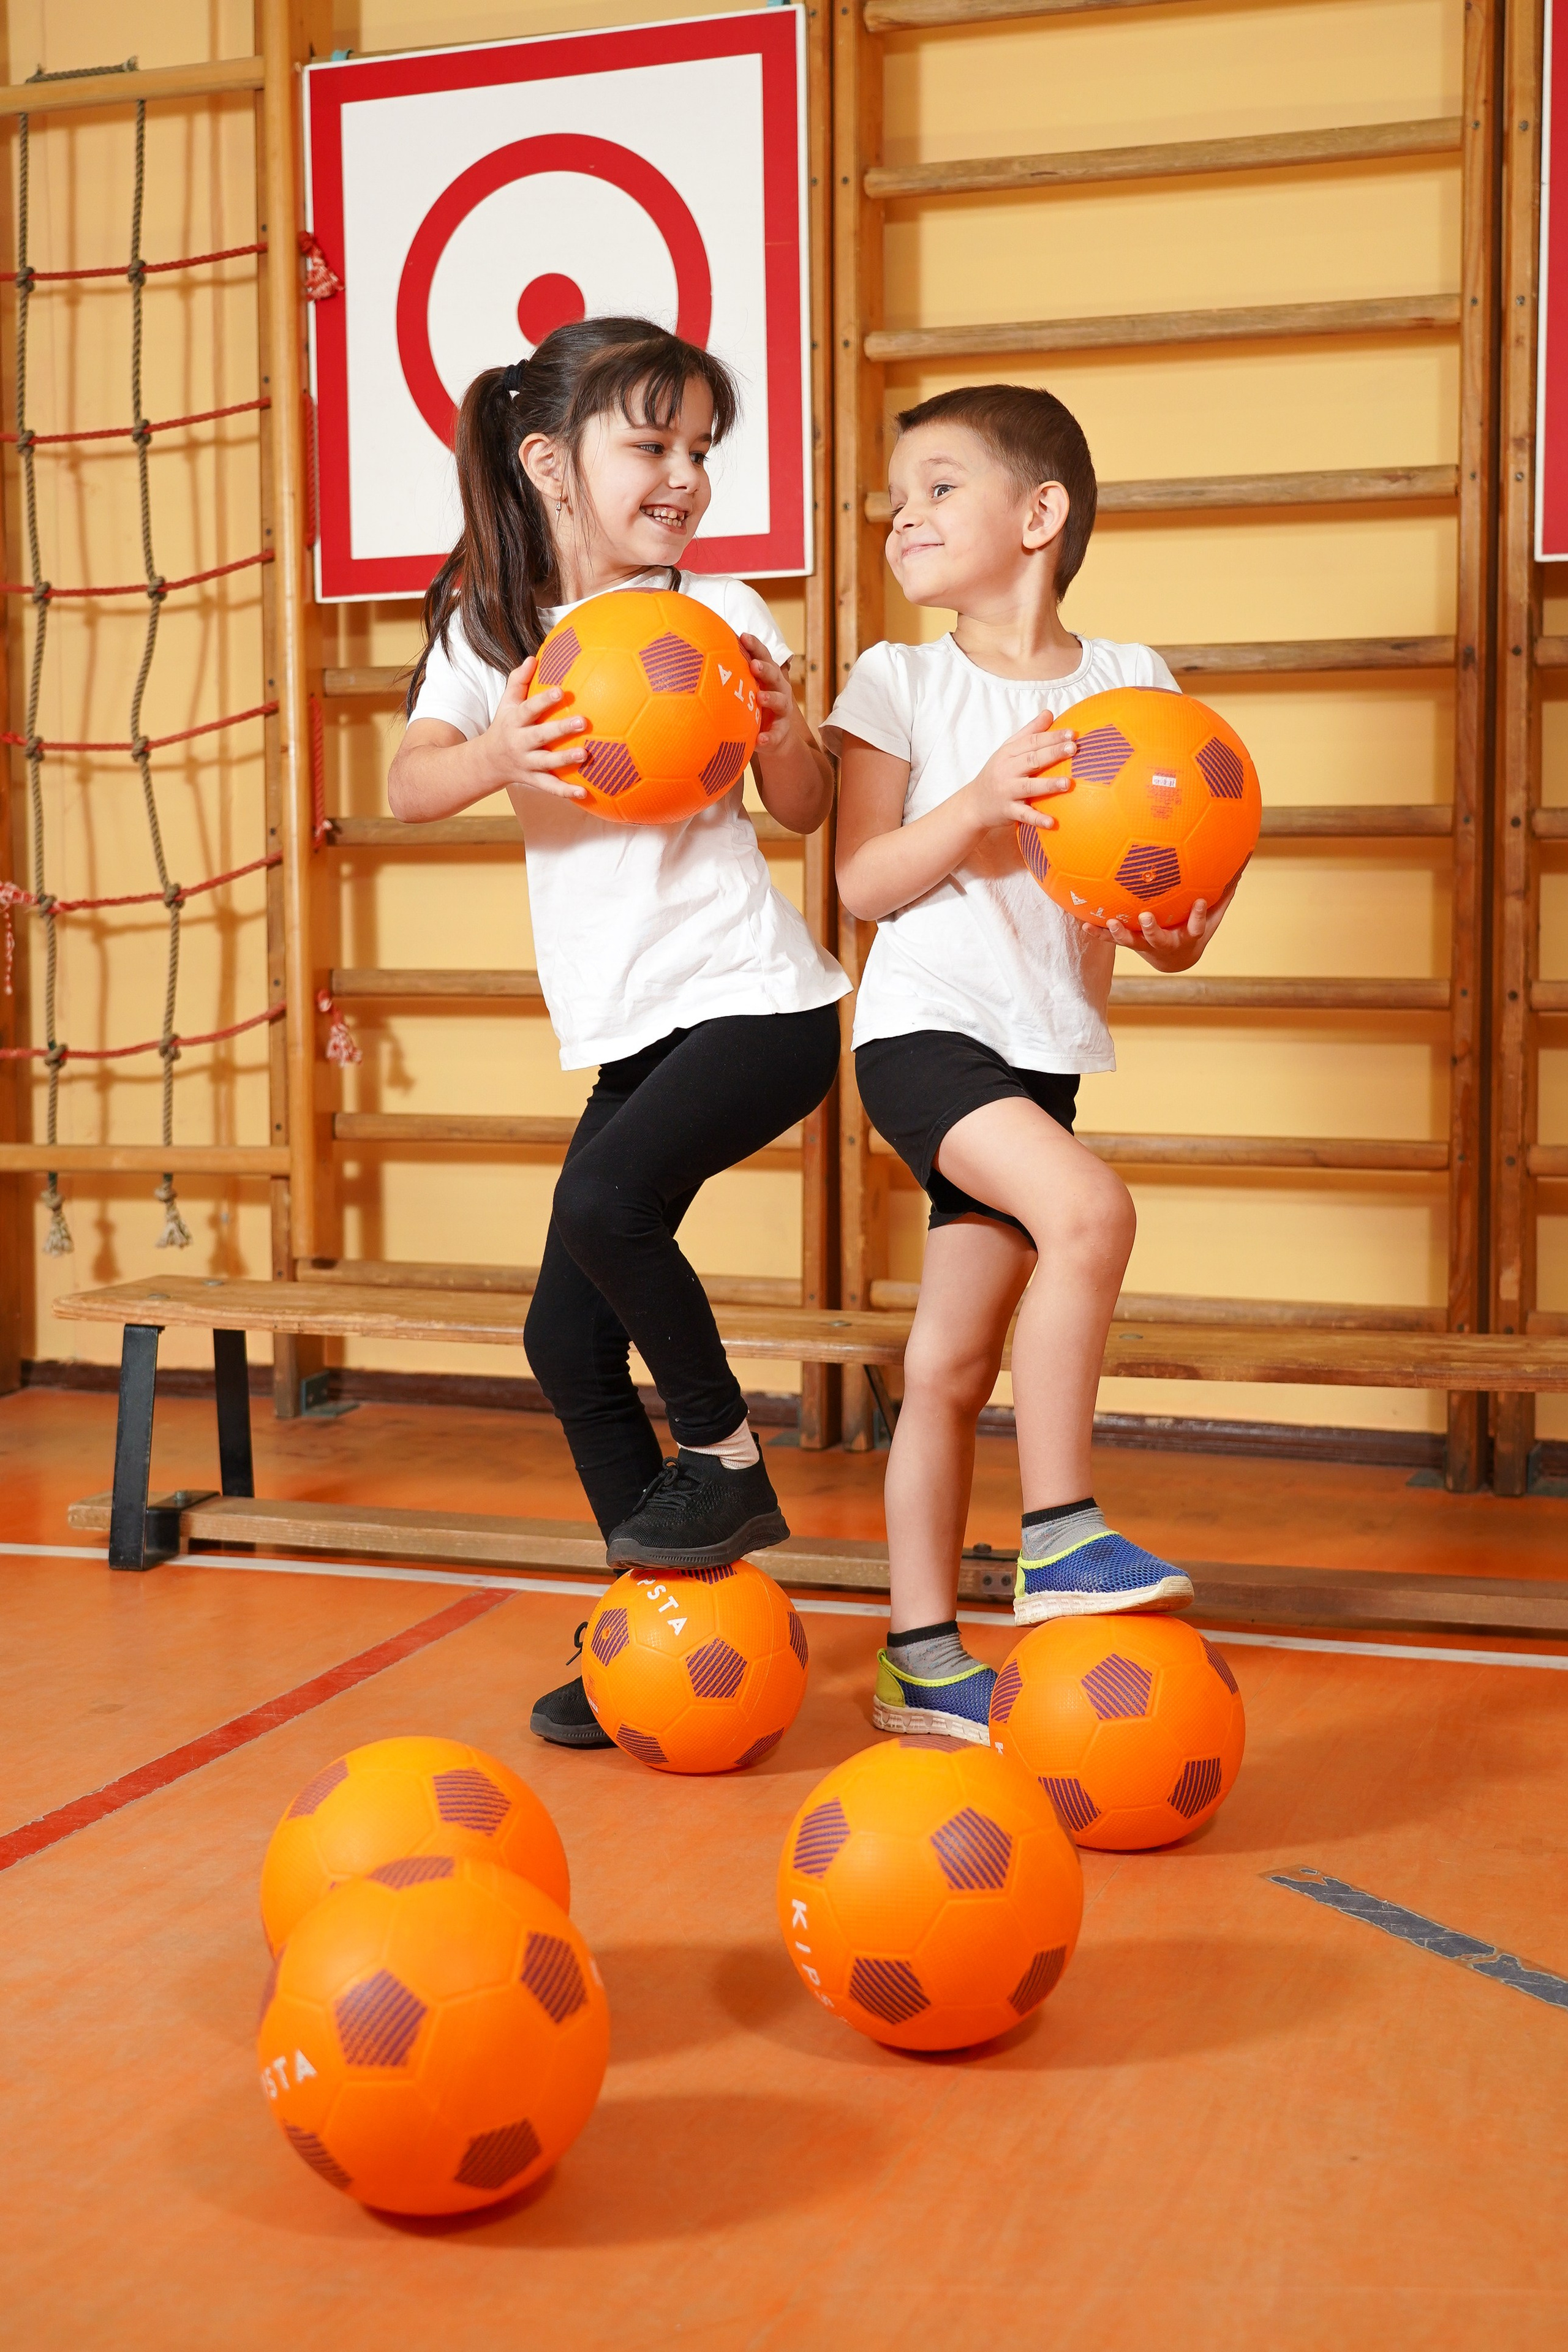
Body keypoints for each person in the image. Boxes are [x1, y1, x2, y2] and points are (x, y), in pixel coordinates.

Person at [390, 318, 846, 1749]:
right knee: (559, 1340)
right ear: (550, 464)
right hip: (637, 1027)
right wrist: (493, 754)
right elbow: (408, 786)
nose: (684, 478)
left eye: (702, 450)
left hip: (759, 1004)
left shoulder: (724, 611)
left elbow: (807, 807)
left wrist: (778, 725)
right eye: (651, 445)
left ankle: (721, 1454)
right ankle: (648, 1635)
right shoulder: (493, 631)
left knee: (601, 1197)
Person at [827, 383, 1236, 1743]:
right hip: (922, 1035)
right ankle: (1059, 1531)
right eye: (898, 496)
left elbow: (1159, 923)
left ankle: (918, 1655)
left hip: (1039, 1053)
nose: (906, 514)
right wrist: (980, 800)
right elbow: (861, 881)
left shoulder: (1134, 684)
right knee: (1091, 1211)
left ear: (1038, 514)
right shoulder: (902, 681)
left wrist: (1176, 926)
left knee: (947, 1365)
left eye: (939, 485)